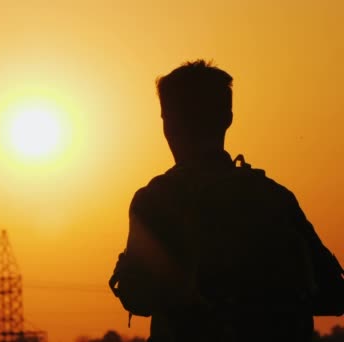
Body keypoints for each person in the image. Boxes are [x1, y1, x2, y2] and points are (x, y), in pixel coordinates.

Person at [110, 60, 328, 341]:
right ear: (228, 117)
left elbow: (138, 298)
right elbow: (331, 292)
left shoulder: (156, 200)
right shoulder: (273, 197)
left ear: (169, 121)